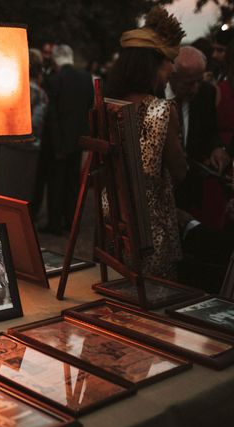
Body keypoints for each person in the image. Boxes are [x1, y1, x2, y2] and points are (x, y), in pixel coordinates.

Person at [105, 7, 186, 279]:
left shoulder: (107, 107)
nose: (172, 68)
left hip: (112, 224)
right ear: (151, 63)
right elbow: (180, 171)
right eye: (168, 61)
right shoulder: (161, 110)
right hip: (151, 233)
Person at [166, 46, 231, 229]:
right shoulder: (155, 96)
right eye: (188, 83)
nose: (195, 89)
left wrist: (218, 149)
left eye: (198, 81)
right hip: (160, 192)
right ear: (172, 75)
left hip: (191, 192)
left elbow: (211, 133)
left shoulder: (206, 93)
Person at [42, 44, 94, 235]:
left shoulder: (54, 80)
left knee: (55, 183)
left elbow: (53, 116)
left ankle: (54, 223)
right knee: (73, 182)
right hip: (78, 139)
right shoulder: (86, 78)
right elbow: (89, 107)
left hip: (59, 141)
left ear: (55, 60)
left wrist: (57, 146)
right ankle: (70, 220)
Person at [0, 48, 48, 202]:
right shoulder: (41, 94)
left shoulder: (10, 89)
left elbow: (2, 118)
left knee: (4, 192)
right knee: (22, 194)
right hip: (29, 149)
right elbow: (37, 123)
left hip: (9, 146)